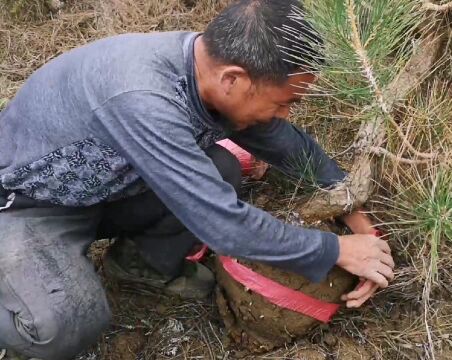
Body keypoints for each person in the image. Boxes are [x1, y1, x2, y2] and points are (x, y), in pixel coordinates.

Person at [0, 0, 395, 359]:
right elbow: (223, 226)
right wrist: (335, 251)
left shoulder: (207, 71)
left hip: (104, 187)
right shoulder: (143, 97)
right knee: (63, 325)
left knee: (219, 168)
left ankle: (139, 266)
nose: (285, 115)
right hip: (32, 204)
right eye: (283, 103)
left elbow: (285, 144)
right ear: (233, 80)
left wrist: (352, 210)